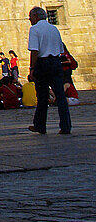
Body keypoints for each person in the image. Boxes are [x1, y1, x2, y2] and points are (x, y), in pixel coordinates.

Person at [26, 7, 71, 135]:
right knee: (61, 96)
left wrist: (32, 68)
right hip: (56, 63)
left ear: (36, 16)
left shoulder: (34, 29)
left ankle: (40, 125)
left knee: (42, 96)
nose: (29, 19)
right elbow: (61, 49)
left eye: (30, 16)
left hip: (43, 64)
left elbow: (34, 51)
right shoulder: (54, 28)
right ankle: (66, 126)